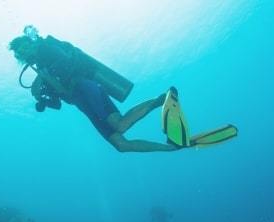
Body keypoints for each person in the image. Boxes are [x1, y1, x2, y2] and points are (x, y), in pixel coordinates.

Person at [9, 29, 180, 153]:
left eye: (24, 46)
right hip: (81, 102)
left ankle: (163, 99)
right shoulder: (40, 66)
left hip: (85, 87)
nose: (24, 52)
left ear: (29, 42)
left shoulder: (46, 48)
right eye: (20, 52)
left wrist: (42, 77)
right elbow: (56, 100)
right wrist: (41, 93)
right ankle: (171, 147)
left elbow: (65, 60)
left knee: (119, 124)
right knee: (120, 145)